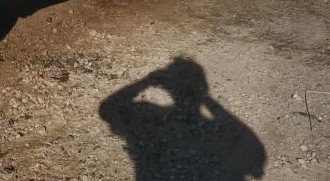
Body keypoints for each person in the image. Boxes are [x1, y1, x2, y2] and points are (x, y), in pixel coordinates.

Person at [99, 57, 265, 180]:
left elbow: (108, 109)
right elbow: (256, 166)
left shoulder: (149, 115)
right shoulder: (226, 132)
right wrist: (206, 98)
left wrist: (147, 81)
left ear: (168, 89)